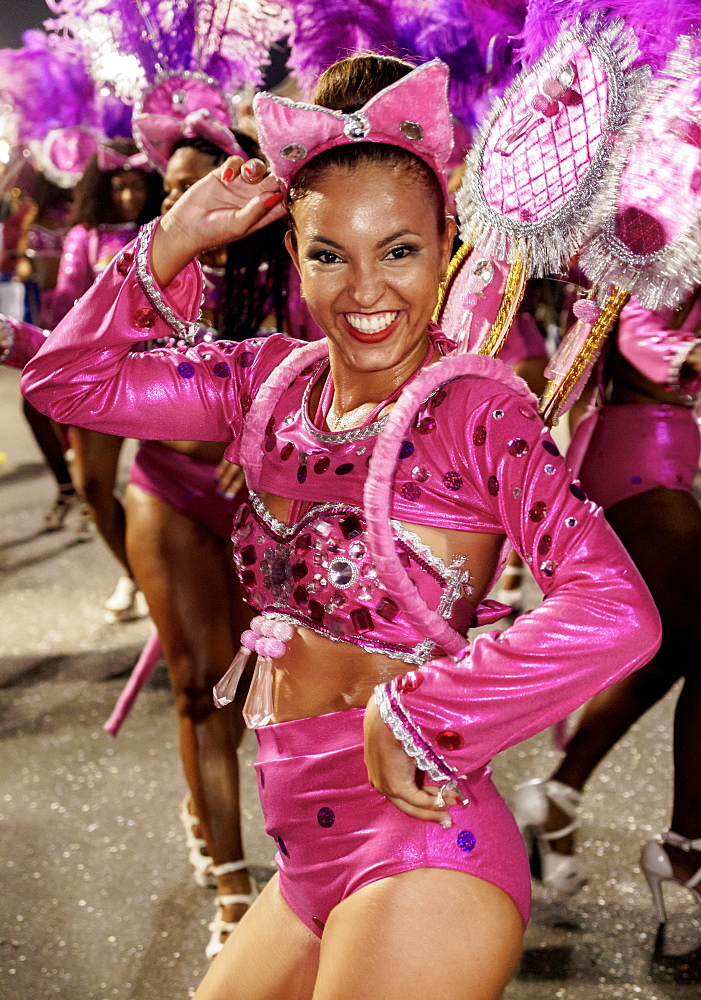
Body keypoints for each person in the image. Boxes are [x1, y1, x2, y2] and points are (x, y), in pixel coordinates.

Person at [22, 55, 660, 1000]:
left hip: (419, 851)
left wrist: (424, 712)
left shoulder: (474, 414)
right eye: (330, 254)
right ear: (292, 257)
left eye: (397, 250)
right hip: (303, 860)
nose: (366, 292)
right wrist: (177, 233)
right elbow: (68, 383)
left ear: (446, 243)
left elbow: (617, 612)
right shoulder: (266, 384)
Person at [123, 128, 291, 959]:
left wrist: (256, 445)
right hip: (166, 494)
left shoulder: (287, 281)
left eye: (194, 184)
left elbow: (330, 375)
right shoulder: (147, 275)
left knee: (244, 693)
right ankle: (231, 879)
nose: (176, 202)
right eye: (167, 189)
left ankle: (223, 807)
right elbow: (89, 377)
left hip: (261, 504)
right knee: (196, 688)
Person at [513, 294, 701, 917]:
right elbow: (637, 328)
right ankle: (686, 850)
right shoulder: (671, 218)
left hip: (664, 452)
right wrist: (690, 353)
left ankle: (561, 793)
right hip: (638, 455)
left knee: (673, 648)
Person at [53, 139, 162, 618]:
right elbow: (62, 307)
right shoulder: (85, 238)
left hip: (166, 378)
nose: (128, 197)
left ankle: (172, 580)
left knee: (170, 487)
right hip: (100, 377)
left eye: (137, 186)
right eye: (119, 187)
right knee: (93, 485)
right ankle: (131, 572)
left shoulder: (167, 229)